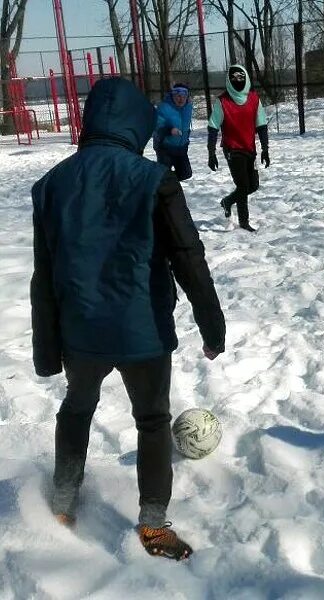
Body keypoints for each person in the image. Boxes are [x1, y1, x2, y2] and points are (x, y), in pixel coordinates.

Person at [30, 77, 226, 560]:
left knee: (77, 409)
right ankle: (153, 526)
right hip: (144, 335)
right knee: (154, 421)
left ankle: (62, 504)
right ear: (138, 123)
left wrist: (47, 351)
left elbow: (44, 277)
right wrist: (211, 325)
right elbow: (188, 255)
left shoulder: (51, 184)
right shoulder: (155, 178)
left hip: (82, 335)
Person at [207, 64, 270, 232]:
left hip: (249, 148)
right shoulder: (222, 101)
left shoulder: (254, 99)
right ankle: (244, 222)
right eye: (234, 78)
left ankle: (228, 201)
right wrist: (211, 152)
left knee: (253, 186)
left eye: (241, 78)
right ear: (229, 80)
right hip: (233, 150)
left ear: (246, 79)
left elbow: (262, 125)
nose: (238, 81)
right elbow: (213, 127)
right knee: (242, 186)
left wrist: (265, 148)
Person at [154, 82, 193, 181]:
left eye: (183, 96)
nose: (181, 99)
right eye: (178, 96)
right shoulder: (164, 107)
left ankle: (167, 181)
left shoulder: (188, 107)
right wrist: (170, 130)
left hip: (181, 148)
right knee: (163, 176)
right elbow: (157, 127)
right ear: (172, 95)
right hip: (165, 148)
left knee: (186, 173)